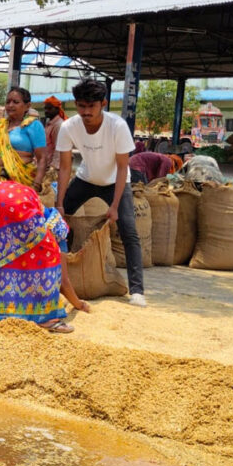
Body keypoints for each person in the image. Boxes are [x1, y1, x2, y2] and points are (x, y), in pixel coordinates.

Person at [55, 79, 146, 307]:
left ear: (103, 103)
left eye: (91, 106)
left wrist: (114, 206)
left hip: (116, 181)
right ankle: (58, 275)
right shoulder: (69, 127)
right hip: (86, 178)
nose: (86, 112)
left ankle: (137, 290)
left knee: (129, 231)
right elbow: (65, 167)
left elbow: (123, 166)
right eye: (81, 106)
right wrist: (59, 203)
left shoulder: (117, 126)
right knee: (57, 222)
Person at [0, 180, 90, 332]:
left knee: (1, 258)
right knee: (48, 260)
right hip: (15, 204)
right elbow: (63, 282)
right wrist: (79, 304)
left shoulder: (36, 213)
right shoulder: (57, 235)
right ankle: (48, 320)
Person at [0, 87, 48, 189]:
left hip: (20, 180)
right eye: (8, 102)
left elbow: (42, 158)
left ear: (27, 106)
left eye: (15, 102)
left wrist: (36, 184)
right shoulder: (0, 125)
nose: (10, 105)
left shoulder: (33, 125)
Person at [42, 96, 67, 170]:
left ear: (57, 109)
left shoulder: (58, 125)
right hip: (45, 164)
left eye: (49, 108)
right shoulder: (50, 123)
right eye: (45, 108)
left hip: (51, 166)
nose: (46, 111)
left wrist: (53, 167)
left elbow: (58, 148)